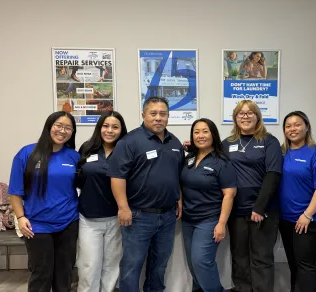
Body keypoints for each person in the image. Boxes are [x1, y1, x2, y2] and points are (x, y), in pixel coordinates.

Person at [107, 96, 185, 292]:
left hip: (167, 216)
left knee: (159, 265)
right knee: (132, 265)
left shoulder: (174, 142)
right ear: (143, 115)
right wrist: (123, 207)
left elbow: (178, 174)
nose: (158, 118)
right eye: (153, 113)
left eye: (163, 114)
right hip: (138, 216)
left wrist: (179, 198)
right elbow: (117, 176)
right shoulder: (130, 141)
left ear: (168, 117)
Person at [8, 111, 79, 292]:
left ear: (72, 132)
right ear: (49, 126)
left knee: (64, 274)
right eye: (58, 125)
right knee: (41, 273)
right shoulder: (26, 154)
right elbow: (15, 191)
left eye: (68, 128)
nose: (62, 131)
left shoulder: (74, 157)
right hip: (36, 225)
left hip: (68, 223)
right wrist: (20, 217)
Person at [223, 100, 282, 292]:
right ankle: (242, 289)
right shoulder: (227, 143)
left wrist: (259, 207)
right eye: (241, 113)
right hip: (236, 211)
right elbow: (211, 159)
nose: (245, 116)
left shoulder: (268, 141)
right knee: (239, 255)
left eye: (250, 113)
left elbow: (273, 175)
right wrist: (191, 148)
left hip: (262, 210)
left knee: (261, 257)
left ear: (257, 116)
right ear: (235, 118)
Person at [181, 118, 237, 292]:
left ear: (213, 134)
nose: (200, 136)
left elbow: (229, 194)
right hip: (188, 219)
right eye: (196, 132)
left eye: (205, 131)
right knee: (193, 265)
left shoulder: (222, 162)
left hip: (209, 219)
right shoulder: (189, 159)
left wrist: (221, 223)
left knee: (202, 262)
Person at [75, 111, 127, 292]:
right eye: (106, 126)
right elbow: (78, 178)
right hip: (88, 218)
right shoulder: (87, 148)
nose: (110, 130)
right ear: (99, 127)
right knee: (89, 264)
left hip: (116, 218)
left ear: (121, 130)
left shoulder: (126, 150)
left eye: (115, 127)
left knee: (111, 265)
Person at [279, 111, 316, 292]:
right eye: (288, 126)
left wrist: (307, 215)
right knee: (293, 263)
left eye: (297, 124)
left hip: (309, 220)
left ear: (307, 127)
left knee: (305, 264)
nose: (292, 129)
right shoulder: (281, 152)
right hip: (285, 219)